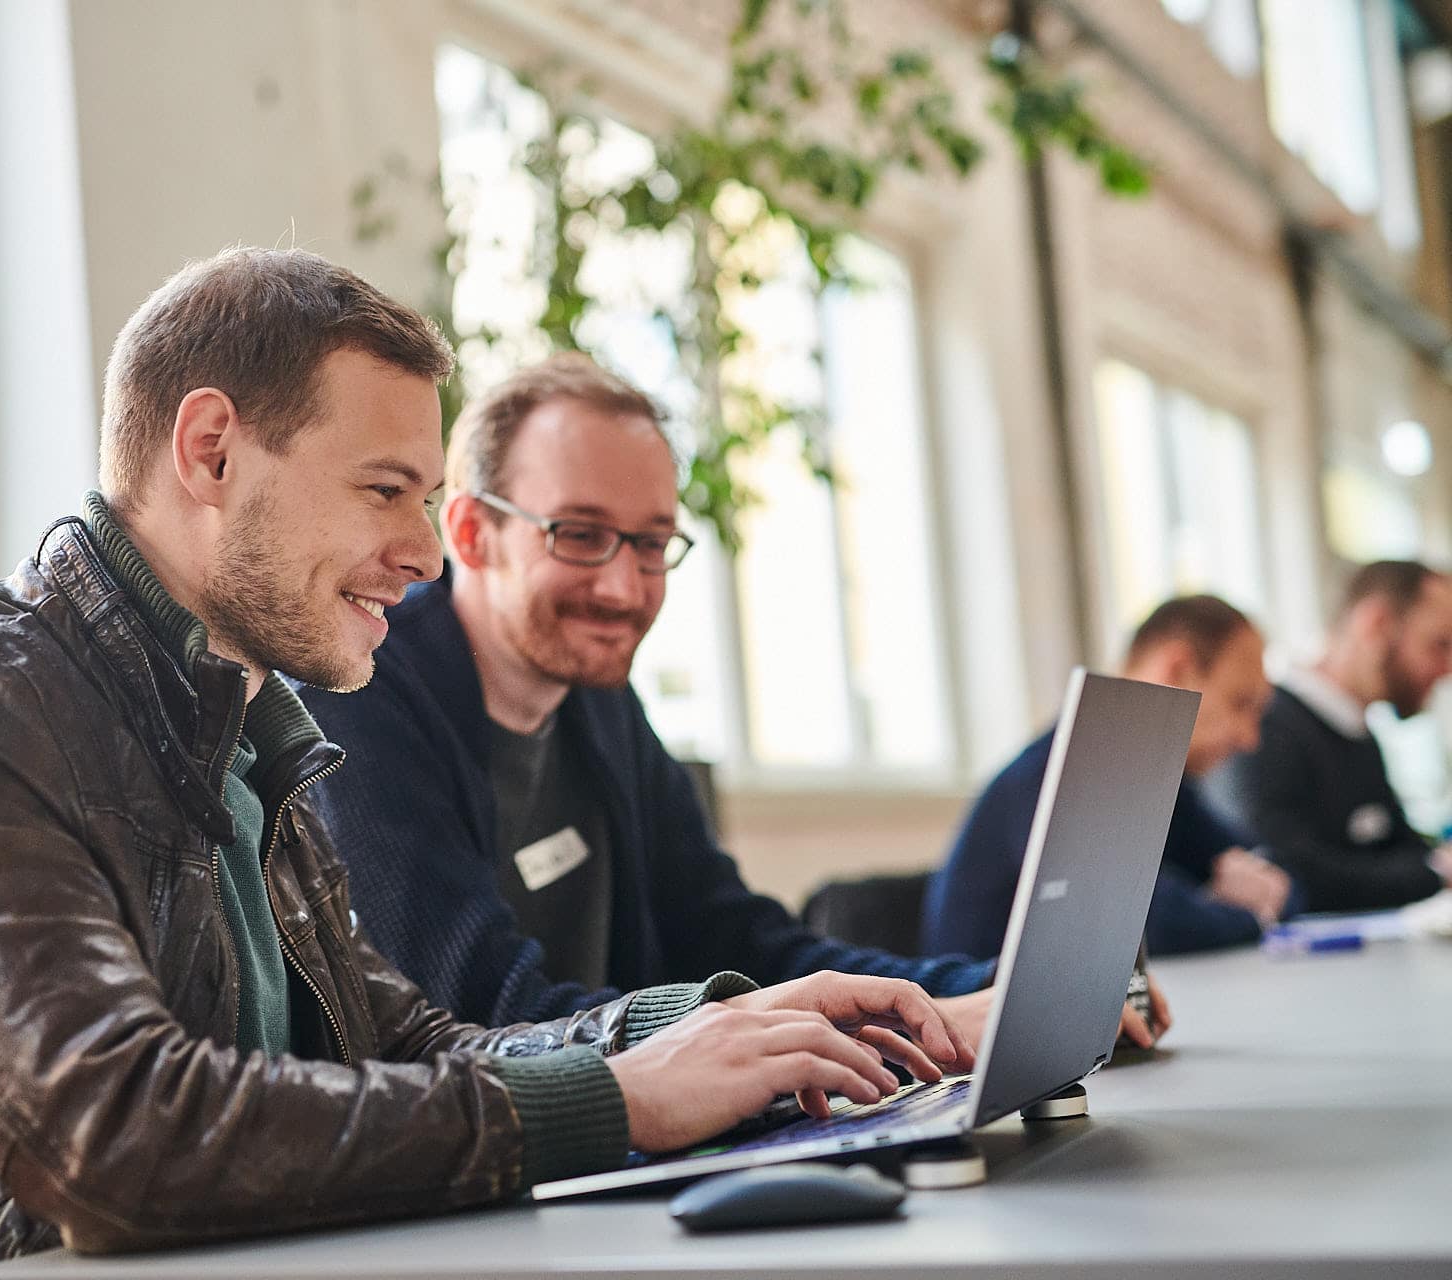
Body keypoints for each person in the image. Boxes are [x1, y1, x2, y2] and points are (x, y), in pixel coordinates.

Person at [0, 249, 975, 1280]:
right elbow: (121, 1135)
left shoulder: (250, 729)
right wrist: (616, 1101)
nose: (425, 554)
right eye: (385, 490)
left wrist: (704, 1032)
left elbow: (407, 1041)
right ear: (210, 451)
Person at [296, 354, 1168, 1053]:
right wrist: (859, 1025)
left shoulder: (599, 703)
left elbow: (735, 936)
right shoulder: (363, 693)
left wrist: (981, 992)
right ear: (473, 534)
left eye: (649, 545)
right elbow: (482, 1007)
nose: (623, 587)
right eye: (581, 535)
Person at [922, 595, 1301, 960]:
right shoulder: (1062, 771)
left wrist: (1260, 892)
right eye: (1240, 704)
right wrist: (1253, 914)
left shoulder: (1156, 776)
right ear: (1177, 669)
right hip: (984, 1017)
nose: (1250, 739)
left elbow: (1280, 869)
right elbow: (1142, 925)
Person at [1205, 560, 1452, 912]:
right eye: (1439, 644)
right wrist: (1433, 873)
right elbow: (1288, 869)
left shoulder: (1360, 736)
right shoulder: (1266, 730)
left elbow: (1402, 847)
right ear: (1377, 624)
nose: (1447, 668)